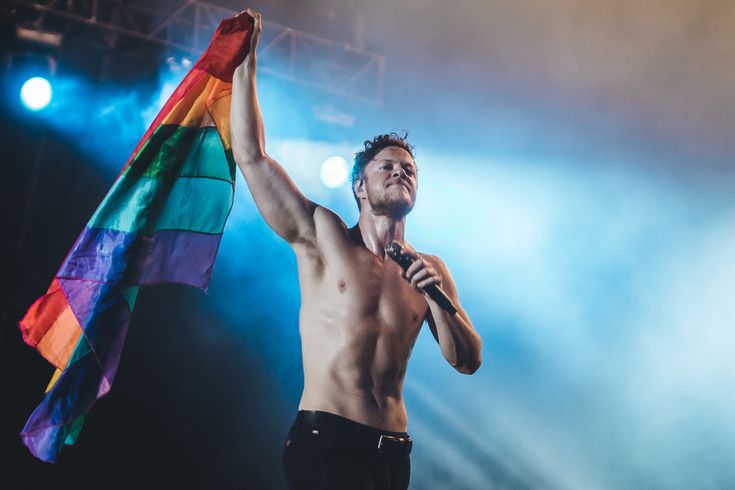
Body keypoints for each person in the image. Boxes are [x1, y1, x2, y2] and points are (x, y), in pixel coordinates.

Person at [230, 10, 482, 490]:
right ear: (360, 188)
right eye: (386, 167)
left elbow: (467, 360)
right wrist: (245, 62)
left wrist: (439, 300)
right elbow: (252, 157)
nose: (400, 173)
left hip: (392, 453)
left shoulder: (432, 269)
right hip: (329, 439)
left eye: (409, 170)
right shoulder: (325, 236)